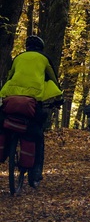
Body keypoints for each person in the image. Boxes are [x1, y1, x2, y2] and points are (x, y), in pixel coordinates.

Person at [0, 35, 63, 187]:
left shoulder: (18, 58)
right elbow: (53, 79)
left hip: (10, 98)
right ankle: (34, 174)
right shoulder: (44, 59)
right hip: (32, 102)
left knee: (4, 126)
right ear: (41, 48)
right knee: (37, 136)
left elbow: (10, 76)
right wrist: (58, 97)